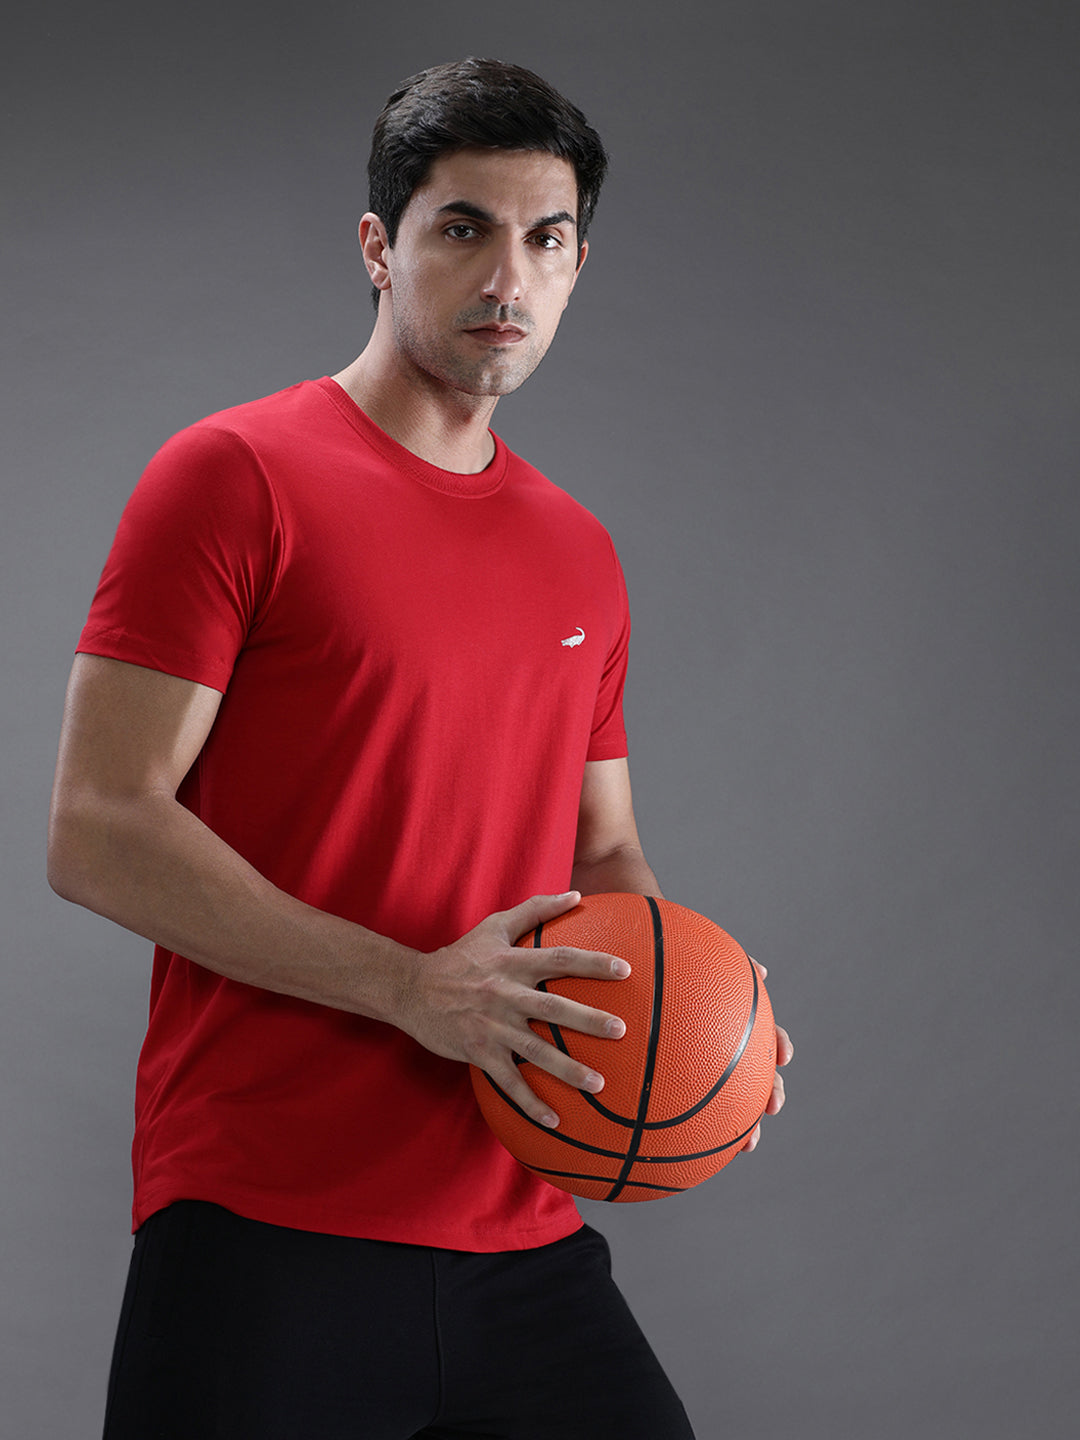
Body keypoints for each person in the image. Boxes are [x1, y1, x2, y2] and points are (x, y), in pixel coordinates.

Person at [48, 57, 792, 1440]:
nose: (508, 275)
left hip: (520, 1226)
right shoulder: (235, 477)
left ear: (578, 266)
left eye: (546, 237)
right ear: (379, 247)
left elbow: (604, 850)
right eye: (463, 228)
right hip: (268, 1221)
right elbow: (98, 828)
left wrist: (701, 1028)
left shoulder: (578, 550)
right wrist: (412, 989)